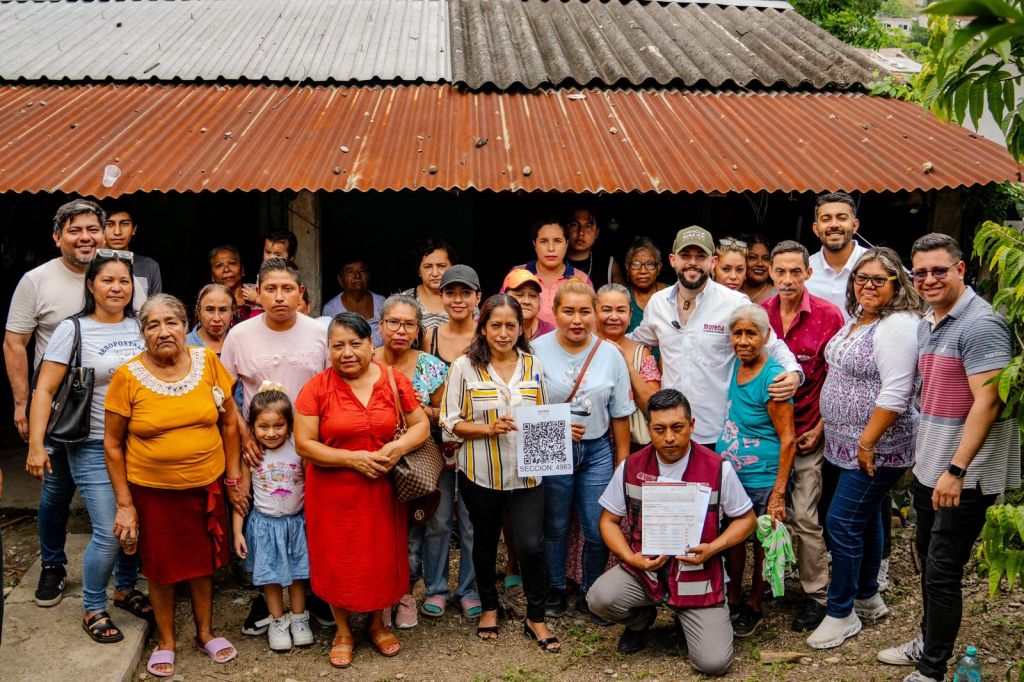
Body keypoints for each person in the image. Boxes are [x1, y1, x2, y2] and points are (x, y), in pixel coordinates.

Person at [877, 234, 1020, 682]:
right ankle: (927, 640)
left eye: (939, 270)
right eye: (920, 272)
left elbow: (989, 403)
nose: (929, 279)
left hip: (965, 472)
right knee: (926, 559)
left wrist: (956, 471)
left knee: (941, 570)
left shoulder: (981, 324)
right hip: (931, 464)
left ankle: (932, 669)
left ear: (961, 270)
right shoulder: (929, 321)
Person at [5, 199, 145, 608]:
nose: (85, 237)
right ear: (57, 237)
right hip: (67, 416)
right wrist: (22, 407)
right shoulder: (37, 281)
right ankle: (53, 564)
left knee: (125, 507)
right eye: (74, 230)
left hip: (119, 424)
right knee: (56, 493)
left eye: (92, 230)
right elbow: (16, 343)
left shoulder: (126, 283)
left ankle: (125, 583)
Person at [104, 294, 248, 677]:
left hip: (205, 485)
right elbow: (112, 444)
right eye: (153, 325)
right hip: (153, 491)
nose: (164, 331)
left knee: (202, 565)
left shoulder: (208, 363)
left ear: (186, 327)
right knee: (161, 567)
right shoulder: (127, 376)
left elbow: (230, 423)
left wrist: (233, 477)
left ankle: (205, 632)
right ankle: (166, 640)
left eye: (172, 322)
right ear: (143, 333)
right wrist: (124, 504)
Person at [587, 389, 756, 676]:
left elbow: (747, 519)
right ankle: (641, 619)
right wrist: (631, 556)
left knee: (714, 664)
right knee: (599, 599)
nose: (669, 437)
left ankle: (689, 615)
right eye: (659, 429)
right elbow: (607, 521)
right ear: (648, 428)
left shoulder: (718, 468)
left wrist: (714, 547)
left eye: (677, 428)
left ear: (692, 425)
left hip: (697, 574)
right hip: (645, 570)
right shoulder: (632, 466)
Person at [294, 313, 430, 668]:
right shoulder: (317, 388)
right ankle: (342, 630)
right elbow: (304, 444)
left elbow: (421, 426)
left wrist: (396, 449)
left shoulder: (393, 379)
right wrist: (351, 459)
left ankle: (376, 624)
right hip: (332, 493)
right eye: (337, 345)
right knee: (338, 559)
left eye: (355, 343)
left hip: (383, 491)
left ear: (372, 345)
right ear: (329, 350)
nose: (347, 352)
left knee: (383, 556)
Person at [27, 251, 150, 642]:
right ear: (91, 286)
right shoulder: (73, 329)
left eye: (124, 281)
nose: (117, 288)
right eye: (108, 280)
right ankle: (94, 606)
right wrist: (36, 444)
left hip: (141, 443)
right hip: (93, 442)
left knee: (138, 524)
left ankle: (126, 587)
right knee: (111, 529)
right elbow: (44, 390)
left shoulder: (140, 326)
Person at [807, 248, 923, 650]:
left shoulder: (898, 325)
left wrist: (868, 441)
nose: (868, 285)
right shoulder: (861, 319)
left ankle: (841, 613)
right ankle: (868, 596)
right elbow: (839, 377)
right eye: (862, 278)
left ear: (898, 284)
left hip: (877, 445)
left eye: (879, 279)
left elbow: (896, 392)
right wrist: (825, 424)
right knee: (868, 513)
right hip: (844, 441)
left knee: (841, 522)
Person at [440, 294, 561, 652]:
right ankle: (489, 607)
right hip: (482, 472)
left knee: (530, 545)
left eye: (511, 325)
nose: (504, 333)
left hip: (528, 473)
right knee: (484, 541)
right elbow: (449, 423)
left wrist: (561, 430)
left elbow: (542, 415)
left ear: (521, 328)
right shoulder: (464, 367)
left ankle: (535, 617)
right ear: (483, 326)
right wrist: (487, 429)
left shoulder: (532, 365)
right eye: (496, 325)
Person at [219, 258, 330, 635]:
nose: (279, 297)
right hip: (261, 448)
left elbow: (333, 386)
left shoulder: (318, 333)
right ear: (257, 293)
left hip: (312, 446)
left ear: (300, 294)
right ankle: (269, 603)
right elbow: (223, 395)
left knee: (309, 523)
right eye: (270, 289)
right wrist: (246, 435)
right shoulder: (240, 335)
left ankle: (313, 596)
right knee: (266, 521)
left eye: (287, 289)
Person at [629, 226, 802, 449]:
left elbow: (771, 343)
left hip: (719, 432)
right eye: (685, 256)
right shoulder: (658, 303)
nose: (692, 262)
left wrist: (794, 373)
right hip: (672, 431)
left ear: (712, 262)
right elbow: (636, 339)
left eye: (700, 256)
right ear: (673, 260)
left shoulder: (734, 302)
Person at [372, 294, 479, 628]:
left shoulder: (431, 367)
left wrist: (418, 409)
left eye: (409, 324)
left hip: (422, 460)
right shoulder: (366, 360)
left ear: (418, 329)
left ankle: (419, 592)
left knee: (425, 524)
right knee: (381, 528)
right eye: (393, 322)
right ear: (380, 324)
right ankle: (381, 596)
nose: (400, 330)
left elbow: (444, 415)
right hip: (373, 458)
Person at [532, 281, 634, 619]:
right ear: (555, 313)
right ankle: (556, 588)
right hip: (551, 446)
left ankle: (591, 589)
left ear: (594, 313)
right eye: (569, 311)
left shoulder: (610, 354)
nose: (577, 319)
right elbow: (525, 407)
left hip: (597, 450)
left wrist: (622, 463)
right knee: (556, 524)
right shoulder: (535, 351)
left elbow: (621, 414)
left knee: (597, 526)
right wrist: (558, 425)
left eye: (584, 311)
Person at [761, 240, 844, 632]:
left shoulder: (829, 317)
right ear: (771, 273)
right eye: (781, 272)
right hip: (767, 433)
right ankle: (763, 585)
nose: (788, 279)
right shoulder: (760, 315)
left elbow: (839, 379)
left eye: (796, 271)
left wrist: (822, 427)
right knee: (762, 512)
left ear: (808, 273)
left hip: (810, 429)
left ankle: (816, 595)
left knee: (806, 516)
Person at [716, 304, 796, 638]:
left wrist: (778, 492)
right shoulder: (735, 366)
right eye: (738, 333)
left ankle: (754, 603)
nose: (744, 340)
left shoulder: (774, 377)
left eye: (751, 333)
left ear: (765, 336)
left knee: (764, 542)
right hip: (734, 475)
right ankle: (732, 597)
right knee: (734, 538)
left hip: (764, 476)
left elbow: (787, 438)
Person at [232, 384, 312, 652]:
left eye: (278, 425)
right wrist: (237, 532)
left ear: (289, 424)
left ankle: (300, 619)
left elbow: (311, 487)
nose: (271, 432)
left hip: (296, 524)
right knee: (272, 578)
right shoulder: (251, 455)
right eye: (263, 427)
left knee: (299, 574)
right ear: (252, 427)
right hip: (264, 526)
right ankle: (278, 621)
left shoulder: (298, 449)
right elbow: (241, 497)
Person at [595, 284, 661, 450]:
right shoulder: (582, 348)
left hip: (633, 444)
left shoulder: (642, 353)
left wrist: (628, 366)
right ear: (594, 313)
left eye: (621, 310)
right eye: (606, 310)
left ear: (630, 315)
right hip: (590, 441)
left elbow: (653, 406)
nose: (614, 316)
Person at [503, 218, 593, 329]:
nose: (551, 248)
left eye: (557, 241)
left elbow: (591, 323)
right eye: (544, 241)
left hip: (567, 345)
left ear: (567, 243)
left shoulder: (581, 279)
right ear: (535, 244)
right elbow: (501, 312)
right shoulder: (517, 274)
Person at [806, 192, 869, 320]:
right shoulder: (803, 271)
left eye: (841, 218)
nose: (834, 225)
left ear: (855, 225)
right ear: (815, 228)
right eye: (826, 219)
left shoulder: (878, 265)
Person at [322, 256, 387, 345]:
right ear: (340, 279)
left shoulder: (382, 302)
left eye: (362, 270)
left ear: (368, 276)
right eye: (350, 271)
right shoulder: (331, 308)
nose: (357, 276)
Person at [102, 200, 162, 296]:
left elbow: (155, 307)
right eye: (109, 224)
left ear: (134, 229)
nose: (117, 232)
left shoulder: (149, 266)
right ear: (100, 229)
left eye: (124, 224)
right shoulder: (90, 265)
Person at [427, 265, 482, 364]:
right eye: (450, 293)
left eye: (466, 293)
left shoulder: (487, 337)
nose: (457, 300)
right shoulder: (428, 338)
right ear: (441, 297)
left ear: (478, 297)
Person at [402, 237, 457, 332]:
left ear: (452, 267)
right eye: (428, 267)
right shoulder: (404, 300)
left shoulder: (464, 299)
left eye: (441, 266)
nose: (435, 273)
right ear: (419, 271)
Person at [566, 208, 625, 290]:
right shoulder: (554, 261)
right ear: (567, 229)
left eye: (588, 226)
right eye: (575, 224)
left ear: (597, 232)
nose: (581, 232)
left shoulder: (609, 266)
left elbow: (623, 299)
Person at [623, 237, 667, 333]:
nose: (643, 271)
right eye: (635, 264)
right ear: (627, 267)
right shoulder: (621, 298)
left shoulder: (672, 294)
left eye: (650, 264)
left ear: (658, 268)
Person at [208, 245, 256, 322]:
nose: (226, 269)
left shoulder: (257, 296)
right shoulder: (207, 303)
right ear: (212, 276)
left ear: (242, 270)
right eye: (219, 266)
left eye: (232, 263)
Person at [504, 269, 554, 340]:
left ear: (540, 302)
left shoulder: (549, 332)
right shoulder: (496, 330)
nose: (526, 301)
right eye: (519, 295)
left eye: (532, 295)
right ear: (505, 298)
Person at [186, 284, 235, 355]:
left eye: (223, 310)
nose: (217, 318)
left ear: (232, 312)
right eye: (210, 310)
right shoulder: (183, 345)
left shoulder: (240, 342)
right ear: (198, 312)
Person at [740, 234, 775, 304]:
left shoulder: (778, 297)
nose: (760, 264)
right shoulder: (730, 290)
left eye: (765, 258)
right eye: (752, 257)